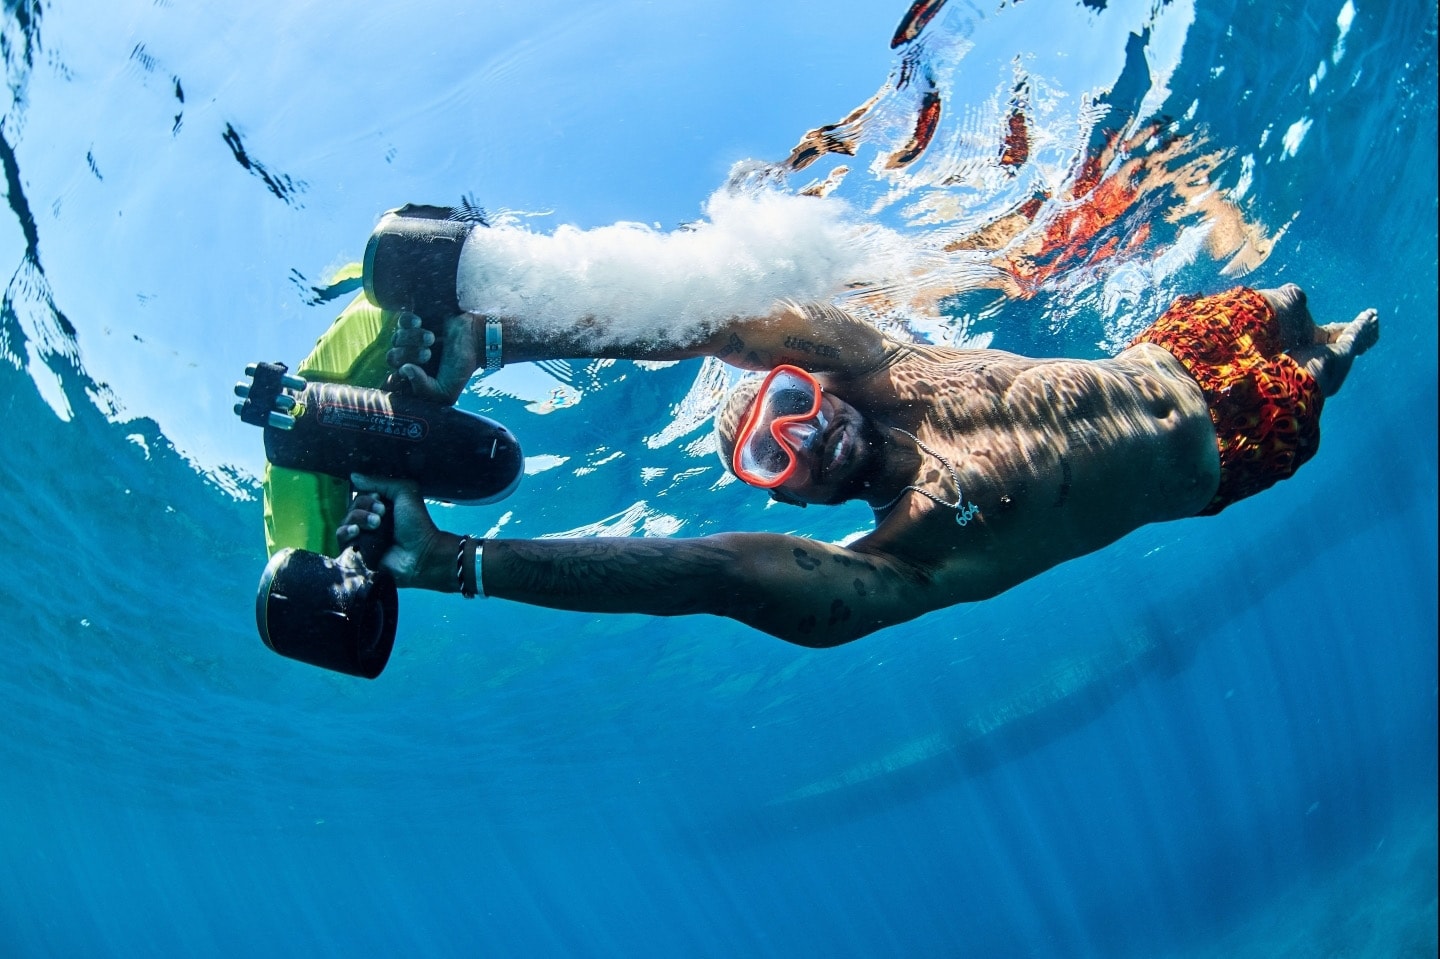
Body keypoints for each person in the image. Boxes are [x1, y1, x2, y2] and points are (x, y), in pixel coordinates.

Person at [338, 283, 1378, 646]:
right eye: (770, 455)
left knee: (1289, 302)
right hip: (1228, 454)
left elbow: (728, 322)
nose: (801, 435)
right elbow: (721, 573)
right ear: (790, 499)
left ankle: (1322, 338)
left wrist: (494, 340)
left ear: (816, 380)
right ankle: (1336, 358)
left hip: (1176, 347)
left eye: (790, 403)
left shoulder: (892, 365)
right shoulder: (909, 555)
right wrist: (447, 559)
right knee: (1327, 367)